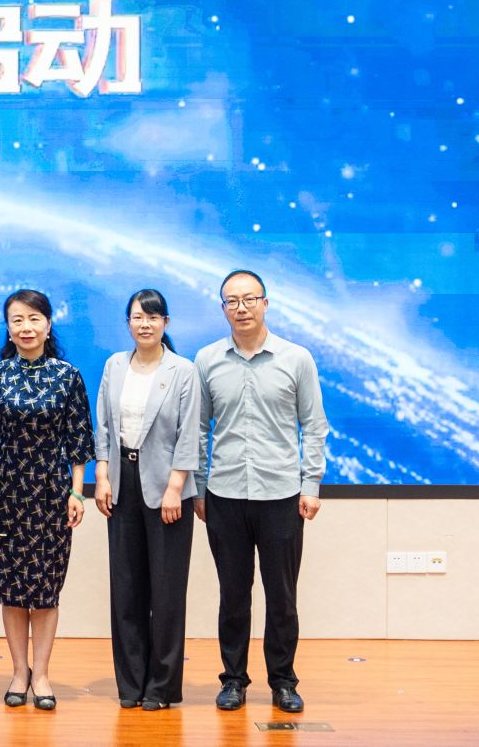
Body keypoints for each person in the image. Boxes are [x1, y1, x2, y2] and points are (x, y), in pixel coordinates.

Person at [194, 269, 329, 715]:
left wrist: (311, 484)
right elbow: (198, 428)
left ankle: (283, 682)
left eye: (249, 299)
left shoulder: (296, 358)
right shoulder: (208, 360)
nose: (242, 308)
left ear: (265, 303)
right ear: (223, 309)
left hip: (281, 495)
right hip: (225, 494)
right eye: (232, 301)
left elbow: (314, 426)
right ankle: (233, 680)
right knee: (233, 596)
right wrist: (199, 488)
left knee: (282, 597)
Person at [0, 288, 92, 710]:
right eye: (17, 320)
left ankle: (41, 674)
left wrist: (77, 491)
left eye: (33, 318)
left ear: (48, 324)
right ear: (8, 328)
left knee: (45, 590)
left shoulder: (68, 375)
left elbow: (79, 439)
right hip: (5, 493)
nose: (26, 327)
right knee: (11, 589)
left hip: (51, 494)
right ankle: (18, 672)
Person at [94, 288, 202, 711]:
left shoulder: (182, 370)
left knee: (167, 591)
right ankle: (131, 683)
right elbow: (103, 426)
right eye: (138, 317)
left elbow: (190, 434)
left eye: (153, 317)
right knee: (126, 589)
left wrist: (176, 487)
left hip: (168, 488)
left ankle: (161, 687)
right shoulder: (115, 365)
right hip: (122, 483)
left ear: (165, 323)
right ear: (128, 322)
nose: (145, 324)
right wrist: (102, 475)